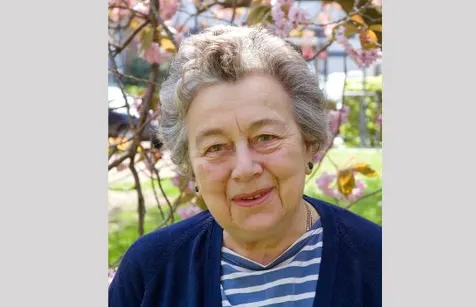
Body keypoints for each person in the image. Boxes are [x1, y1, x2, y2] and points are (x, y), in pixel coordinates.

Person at [108, 25, 382, 307]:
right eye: (215, 147)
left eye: (266, 137)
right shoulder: (149, 272)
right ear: (189, 164)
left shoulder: (378, 264)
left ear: (309, 142)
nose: (245, 168)